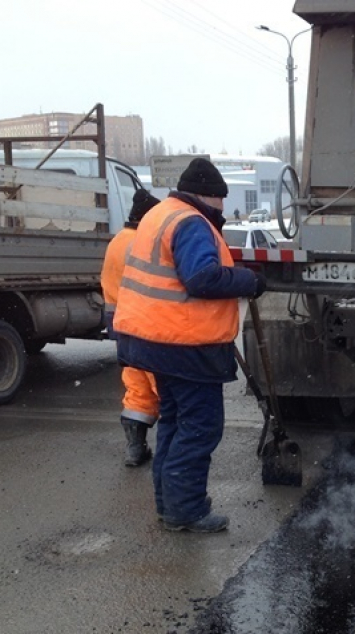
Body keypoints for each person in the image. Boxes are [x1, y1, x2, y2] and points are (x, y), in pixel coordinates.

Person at [113, 158, 267, 533]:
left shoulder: (159, 215)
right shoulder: (192, 223)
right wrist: (248, 280)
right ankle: (186, 511)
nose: (223, 211)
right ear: (206, 196)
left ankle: (171, 506)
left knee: (174, 423)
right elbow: (201, 277)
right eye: (220, 201)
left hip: (152, 341)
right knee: (199, 428)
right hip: (184, 345)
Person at [101, 189, 162, 467]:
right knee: (162, 383)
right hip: (143, 324)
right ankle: (173, 450)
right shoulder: (141, 243)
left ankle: (135, 449)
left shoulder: (117, 241)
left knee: (136, 385)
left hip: (120, 325)